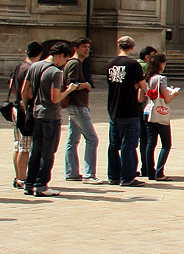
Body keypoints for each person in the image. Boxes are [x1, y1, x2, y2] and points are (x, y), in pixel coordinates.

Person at [23, 41, 72, 197]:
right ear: (60, 55)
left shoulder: (34, 66)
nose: (64, 64)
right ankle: (41, 185)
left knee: (35, 150)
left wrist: (28, 108)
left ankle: (29, 183)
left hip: (35, 114)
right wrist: (69, 90)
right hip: (50, 116)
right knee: (48, 152)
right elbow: (55, 97)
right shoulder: (55, 72)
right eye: (65, 60)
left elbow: (26, 90)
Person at [104, 36, 147, 187]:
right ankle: (128, 177)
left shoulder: (110, 63)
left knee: (114, 145)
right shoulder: (133, 64)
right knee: (128, 145)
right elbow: (143, 85)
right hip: (129, 108)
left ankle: (113, 175)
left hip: (113, 108)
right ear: (133, 46)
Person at [60, 37, 99, 183]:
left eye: (88, 47)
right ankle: (89, 174)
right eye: (84, 47)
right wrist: (86, 85)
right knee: (92, 139)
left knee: (73, 140)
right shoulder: (74, 63)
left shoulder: (73, 63)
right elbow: (72, 83)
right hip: (78, 106)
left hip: (75, 106)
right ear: (75, 48)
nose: (87, 49)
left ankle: (71, 172)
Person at [6, 41, 43, 188]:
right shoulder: (31, 69)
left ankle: (18, 176)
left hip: (15, 108)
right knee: (26, 146)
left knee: (18, 144)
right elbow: (27, 91)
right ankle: (22, 178)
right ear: (40, 54)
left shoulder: (19, 66)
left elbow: (12, 85)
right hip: (25, 109)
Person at [141, 53, 177, 181]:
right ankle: (159, 172)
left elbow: (141, 98)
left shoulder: (146, 78)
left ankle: (150, 171)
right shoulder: (161, 78)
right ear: (161, 64)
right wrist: (174, 93)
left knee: (150, 143)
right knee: (166, 143)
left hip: (148, 111)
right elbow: (167, 98)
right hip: (159, 112)